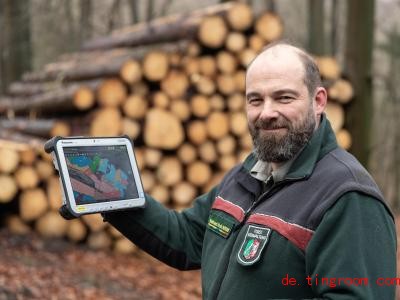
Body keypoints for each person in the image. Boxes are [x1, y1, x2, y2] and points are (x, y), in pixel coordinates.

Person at [103, 42, 396, 299]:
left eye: (284, 98)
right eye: (255, 99)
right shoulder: (247, 175)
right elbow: (186, 238)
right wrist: (112, 194)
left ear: (318, 101)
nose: (266, 112)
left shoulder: (348, 197)